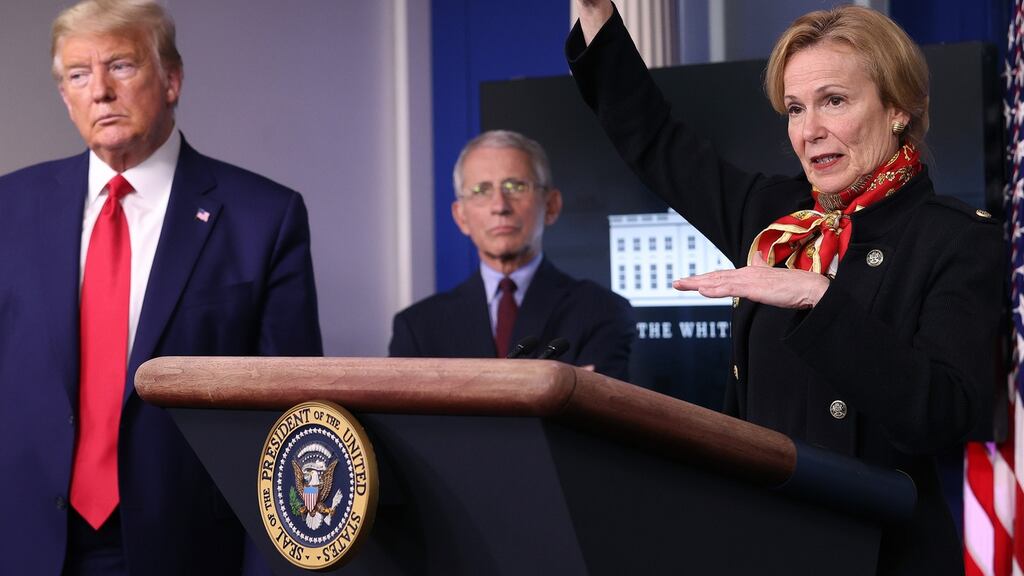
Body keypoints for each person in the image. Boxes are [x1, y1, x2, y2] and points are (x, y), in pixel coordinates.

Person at [568, 1, 1002, 574]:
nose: (809, 131)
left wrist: (818, 299)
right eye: (795, 109)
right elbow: (653, 139)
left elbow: (943, 415)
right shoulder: (774, 216)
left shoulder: (957, 242)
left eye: (834, 101)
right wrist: (596, 14)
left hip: (884, 555)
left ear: (898, 107)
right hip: (764, 542)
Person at [0, 0, 322, 574]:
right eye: (78, 74)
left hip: (190, 548)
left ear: (171, 80)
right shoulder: (10, 208)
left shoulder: (263, 218)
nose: (100, 90)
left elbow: (291, 421)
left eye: (120, 66)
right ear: (65, 97)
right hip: (26, 542)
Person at [389, 130, 635, 381]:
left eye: (515, 186)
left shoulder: (601, 311)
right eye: (481, 190)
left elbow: (595, 419)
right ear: (460, 216)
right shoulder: (417, 327)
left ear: (551, 206)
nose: (500, 206)